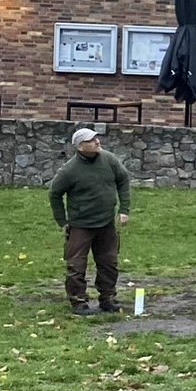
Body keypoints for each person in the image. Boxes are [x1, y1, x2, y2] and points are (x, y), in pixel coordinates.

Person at [48, 128, 132, 315]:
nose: (97, 141)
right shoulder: (69, 170)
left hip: (106, 222)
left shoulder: (109, 160)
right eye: (90, 140)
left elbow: (123, 180)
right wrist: (63, 221)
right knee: (76, 266)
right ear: (80, 146)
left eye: (96, 137)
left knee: (109, 262)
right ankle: (79, 302)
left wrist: (124, 209)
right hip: (81, 225)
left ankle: (108, 298)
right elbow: (54, 194)